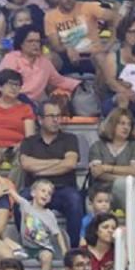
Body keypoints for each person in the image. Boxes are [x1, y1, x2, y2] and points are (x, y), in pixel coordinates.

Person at [20, 100, 84, 246]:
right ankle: (30, 245)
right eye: (51, 116)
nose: (56, 120)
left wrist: (39, 169)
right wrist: (57, 162)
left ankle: (73, 249)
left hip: (62, 189)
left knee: (75, 200)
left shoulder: (70, 139)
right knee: (22, 201)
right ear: (40, 119)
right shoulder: (29, 141)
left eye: (59, 116)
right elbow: (26, 164)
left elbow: (70, 164)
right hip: (35, 190)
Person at [44, 0, 120, 76]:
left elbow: (116, 17)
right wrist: (68, 48)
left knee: (104, 59)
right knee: (48, 59)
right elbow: (56, 46)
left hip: (92, 55)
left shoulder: (88, 7)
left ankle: (102, 90)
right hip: (66, 56)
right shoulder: (50, 16)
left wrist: (110, 43)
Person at [0, 69, 36, 166]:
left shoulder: (26, 108)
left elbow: (30, 137)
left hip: (15, 150)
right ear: (0, 87)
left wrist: (17, 147)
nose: (14, 88)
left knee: (23, 161)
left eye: (17, 85)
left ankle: (11, 181)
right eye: (10, 84)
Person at [88, 107, 135, 208]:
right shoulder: (97, 146)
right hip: (101, 192)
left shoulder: (134, 146)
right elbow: (97, 173)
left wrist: (107, 168)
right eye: (122, 123)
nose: (126, 128)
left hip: (127, 191)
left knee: (121, 185)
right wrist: (124, 176)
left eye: (129, 124)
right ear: (112, 124)